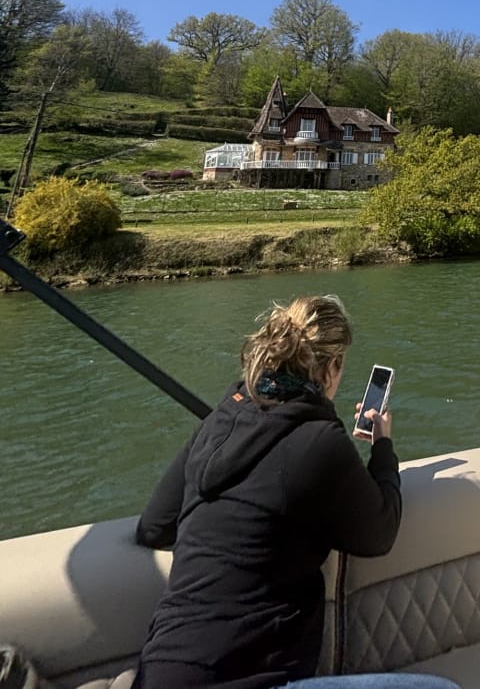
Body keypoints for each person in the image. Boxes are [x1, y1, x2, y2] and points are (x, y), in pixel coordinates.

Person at [134, 295, 459, 689]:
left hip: (157, 672)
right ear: (333, 367)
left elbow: (154, 528)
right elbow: (380, 532)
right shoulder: (320, 440)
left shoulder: (218, 421)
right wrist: (383, 447)